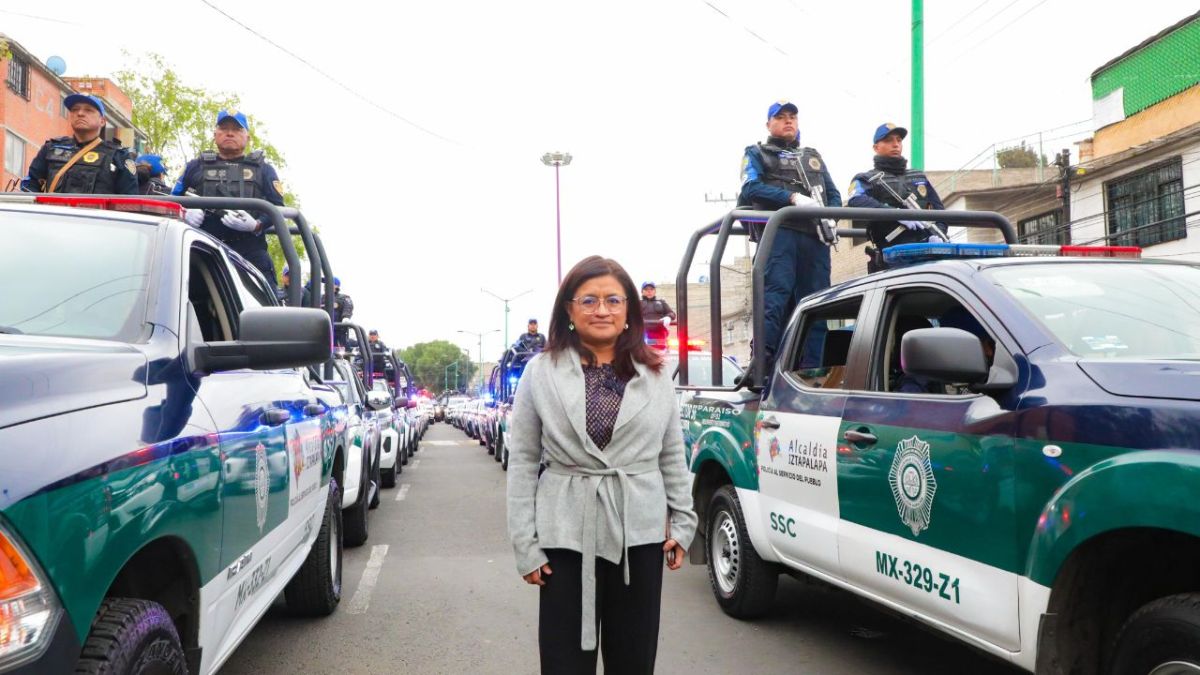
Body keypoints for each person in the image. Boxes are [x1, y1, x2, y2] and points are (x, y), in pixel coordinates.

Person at [507, 255, 697, 674]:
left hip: (639, 531)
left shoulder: (657, 373)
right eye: (589, 300)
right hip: (564, 532)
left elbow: (671, 453)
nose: (602, 310)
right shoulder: (541, 372)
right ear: (569, 310)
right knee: (564, 663)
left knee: (633, 660)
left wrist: (684, 523)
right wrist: (526, 544)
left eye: (613, 299)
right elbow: (521, 460)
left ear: (629, 308)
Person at [738, 100, 842, 367]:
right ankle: (761, 366)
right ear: (768, 124)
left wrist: (831, 214)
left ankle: (813, 370)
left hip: (815, 237)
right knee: (774, 301)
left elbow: (833, 194)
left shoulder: (812, 156)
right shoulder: (757, 153)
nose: (788, 121)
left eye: (792, 117)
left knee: (817, 305)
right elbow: (750, 188)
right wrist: (792, 197)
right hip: (779, 234)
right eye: (781, 117)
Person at [172, 109, 287, 283]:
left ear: (247, 137)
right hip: (201, 248)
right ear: (215, 134)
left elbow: (278, 208)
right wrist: (183, 213)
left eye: (237, 129)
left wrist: (256, 225)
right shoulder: (195, 166)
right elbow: (171, 199)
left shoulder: (264, 170)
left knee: (266, 307)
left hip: (250, 251)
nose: (230, 133)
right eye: (224, 128)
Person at [847, 123, 948, 271]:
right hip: (892, 256)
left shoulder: (918, 176)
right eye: (888, 140)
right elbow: (855, 199)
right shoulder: (866, 178)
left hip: (927, 252)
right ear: (876, 147)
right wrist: (894, 214)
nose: (895, 145)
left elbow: (940, 211)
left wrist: (938, 234)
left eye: (899, 140)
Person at [22, 93, 138, 195]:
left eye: (88, 110)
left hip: (95, 219)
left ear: (102, 121)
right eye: (74, 110)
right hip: (54, 218)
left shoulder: (118, 155)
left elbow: (129, 201)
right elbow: (30, 183)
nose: (80, 113)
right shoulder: (51, 148)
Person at [639, 282, 675, 350]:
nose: (649, 291)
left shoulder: (661, 302)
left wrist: (668, 317)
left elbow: (672, 313)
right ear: (642, 291)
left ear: (655, 291)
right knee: (643, 354)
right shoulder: (637, 303)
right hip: (642, 334)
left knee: (658, 355)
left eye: (651, 289)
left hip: (659, 334)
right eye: (646, 289)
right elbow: (630, 315)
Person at [333, 277, 355, 346]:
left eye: (328, 282)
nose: (325, 285)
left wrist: (346, 317)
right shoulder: (320, 298)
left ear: (336, 286)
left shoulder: (344, 298)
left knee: (339, 352)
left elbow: (348, 307)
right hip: (322, 331)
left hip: (338, 332)